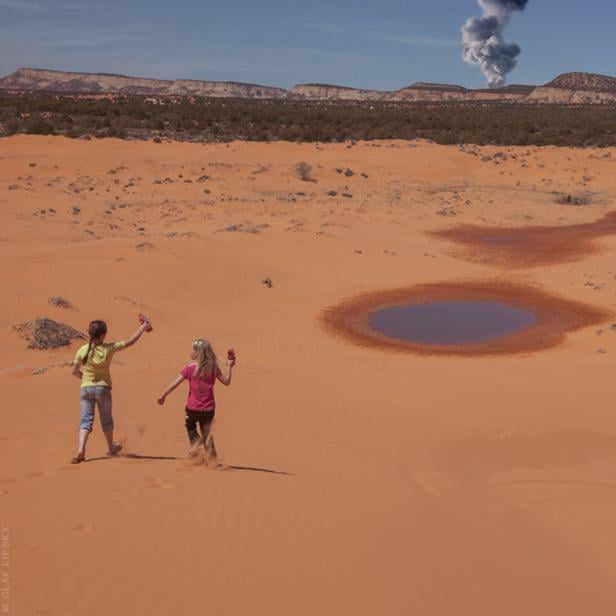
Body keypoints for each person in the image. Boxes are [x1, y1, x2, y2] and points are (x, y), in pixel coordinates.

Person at [70, 318, 151, 463]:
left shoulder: (82, 350)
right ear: (102, 335)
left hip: (86, 388)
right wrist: (142, 329)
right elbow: (129, 342)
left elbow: (74, 371)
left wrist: (84, 378)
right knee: (106, 419)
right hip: (103, 388)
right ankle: (111, 448)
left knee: (85, 420)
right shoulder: (108, 349)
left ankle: (81, 449)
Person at [157, 338, 235, 465]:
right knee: (207, 433)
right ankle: (213, 461)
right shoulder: (214, 368)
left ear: (198, 352)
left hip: (192, 408)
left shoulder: (189, 368)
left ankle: (197, 443)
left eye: (193, 349)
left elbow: (174, 384)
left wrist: (164, 395)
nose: (191, 351)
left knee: (190, 425)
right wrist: (229, 367)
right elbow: (226, 381)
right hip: (209, 409)